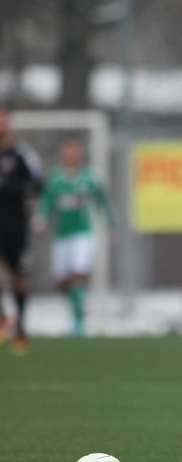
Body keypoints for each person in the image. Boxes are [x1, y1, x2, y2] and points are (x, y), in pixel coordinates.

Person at [32, 137, 114, 336]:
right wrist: (40, 217)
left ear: (80, 153)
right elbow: (46, 201)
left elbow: (103, 203)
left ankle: (79, 322)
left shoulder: (91, 177)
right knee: (63, 281)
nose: (70, 155)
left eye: (74, 151)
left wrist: (111, 226)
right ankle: (79, 307)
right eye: (67, 151)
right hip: (61, 235)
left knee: (78, 274)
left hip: (83, 234)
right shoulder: (55, 178)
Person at [0, 107, 42, 355]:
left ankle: (21, 327)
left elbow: (37, 183)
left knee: (18, 274)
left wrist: (16, 187)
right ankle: (3, 319)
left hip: (15, 223)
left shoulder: (22, 153)